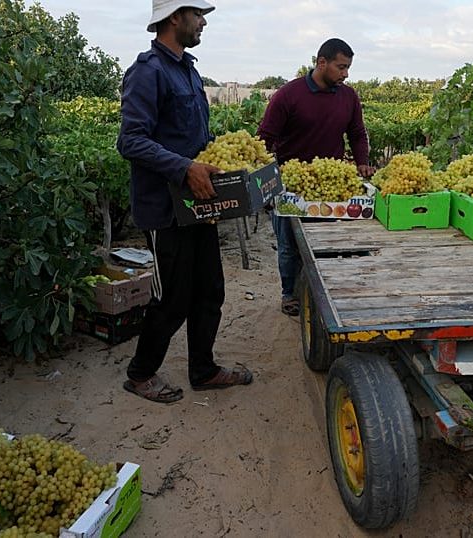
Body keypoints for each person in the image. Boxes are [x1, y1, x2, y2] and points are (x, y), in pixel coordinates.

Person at [116, 0, 252, 403]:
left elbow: (193, 139)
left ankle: (203, 370)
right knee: (171, 298)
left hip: (199, 205)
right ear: (175, 17)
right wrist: (184, 167)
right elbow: (131, 141)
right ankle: (141, 374)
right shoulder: (147, 72)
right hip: (163, 208)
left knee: (209, 290)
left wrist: (219, 160)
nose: (204, 21)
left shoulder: (189, 71)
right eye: (198, 14)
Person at [257, 38, 375, 316]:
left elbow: (357, 133)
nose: (346, 74)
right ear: (321, 63)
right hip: (292, 184)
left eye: (348, 68)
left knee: (330, 242)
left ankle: (326, 291)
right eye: (341, 67)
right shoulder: (288, 95)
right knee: (289, 245)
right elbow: (266, 138)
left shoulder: (349, 97)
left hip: (331, 186)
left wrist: (362, 163)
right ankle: (290, 294)